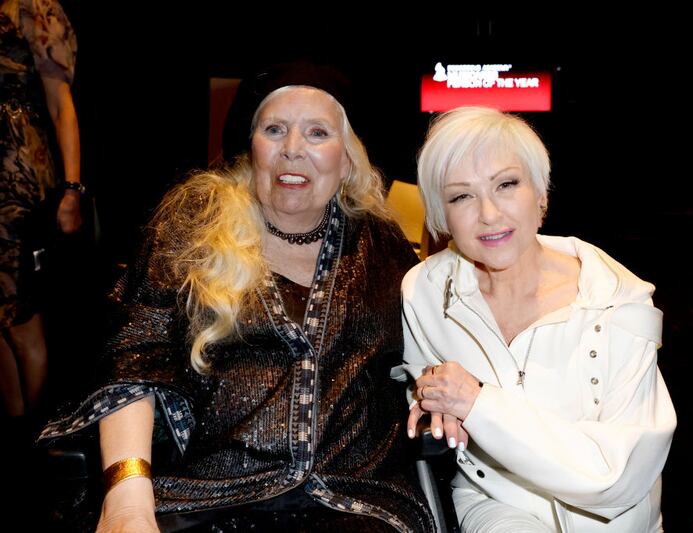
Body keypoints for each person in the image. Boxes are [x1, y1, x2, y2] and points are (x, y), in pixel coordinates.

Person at [39, 63, 434, 532]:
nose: (292, 150)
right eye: (274, 129)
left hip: (351, 501)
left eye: (316, 133)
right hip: (207, 497)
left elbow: (432, 345)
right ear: (252, 148)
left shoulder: (382, 246)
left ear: (346, 159)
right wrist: (127, 500)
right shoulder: (193, 227)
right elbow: (134, 364)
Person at [401, 106, 677, 532]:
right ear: (442, 216)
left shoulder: (617, 302)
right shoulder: (424, 291)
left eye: (506, 185)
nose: (489, 213)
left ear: (541, 194)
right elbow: (424, 384)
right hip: (494, 501)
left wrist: (476, 403)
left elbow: (618, 477)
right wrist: (432, 400)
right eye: (461, 196)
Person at [0, 0, 81, 427]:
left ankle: (41, 438)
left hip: (15, 174)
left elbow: (60, 106)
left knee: (21, 317)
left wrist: (71, 189)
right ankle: (15, 436)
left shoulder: (34, 8)